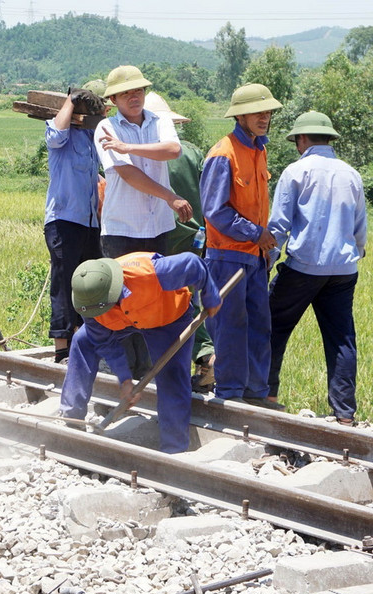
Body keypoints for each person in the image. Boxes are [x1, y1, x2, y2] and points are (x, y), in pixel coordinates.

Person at [60, 252, 221, 453]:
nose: (98, 315)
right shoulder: (90, 303)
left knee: (172, 376)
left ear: (113, 293)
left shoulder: (150, 273)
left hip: (167, 316)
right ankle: (71, 419)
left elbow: (194, 263)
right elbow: (104, 342)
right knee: (83, 341)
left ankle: (174, 449)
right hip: (124, 320)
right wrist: (125, 380)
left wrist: (210, 295)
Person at [267, 111, 367, 426]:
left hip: (303, 267)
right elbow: (359, 226)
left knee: (273, 328)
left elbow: (279, 225)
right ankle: (344, 415)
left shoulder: (295, 172)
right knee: (341, 338)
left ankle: (266, 397)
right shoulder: (351, 174)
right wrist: (356, 252)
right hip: (343, 270)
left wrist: (267, 263)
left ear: (302, 139)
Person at [199, 84, 283, 409]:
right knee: (231, 326)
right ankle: (230, 396)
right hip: (227, 257)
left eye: (268, 112)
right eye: (258, 111)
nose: (265, 117)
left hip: (255, 256)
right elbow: (215, 210)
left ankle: (256, 394)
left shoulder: (259, 151)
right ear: (240, 115)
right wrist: (255, 233)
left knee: (260, 326)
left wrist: (265, 247)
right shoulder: (224, 153)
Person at [144, 92, 216, 392]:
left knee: (158, 299)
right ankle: (205, 358)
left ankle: (161, 364)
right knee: (192, 297)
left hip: (156, 235)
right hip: (196, 236)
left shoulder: (143, 153)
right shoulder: (193, 152)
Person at [94, 66, 191, 257]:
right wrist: (171, 197)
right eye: (125, 93)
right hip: (122, 229)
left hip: (159, 226)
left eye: (138, 91)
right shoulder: (107, 127)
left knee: (156, 285)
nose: (134, 97)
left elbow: (173, 150)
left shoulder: (160, 120)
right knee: (124, 286)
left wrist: (128, 147)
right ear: (113, 99)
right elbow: (128, 173)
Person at [42, 84, 106, 362]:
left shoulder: (93, 137)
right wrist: (71, 100)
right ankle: (62, 349)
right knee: (64, 283)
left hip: (90, 222)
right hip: (64, 220)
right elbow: (55, 136)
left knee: (90, 283)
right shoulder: (62, 133)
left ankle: (87, 341)